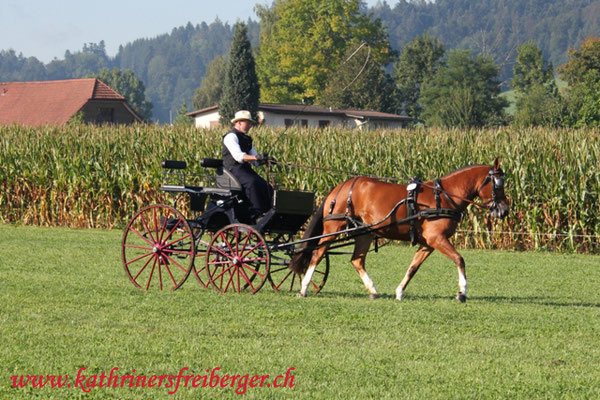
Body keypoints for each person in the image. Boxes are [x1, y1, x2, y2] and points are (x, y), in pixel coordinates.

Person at [222, 110, 272, 220]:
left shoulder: (247, 139)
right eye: (248, 122)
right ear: (239, 123)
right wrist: (256, 158)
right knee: (252, 183)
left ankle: (267, 212)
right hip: (232, 170)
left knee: (266, 186)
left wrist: (264, 160)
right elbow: (238, 156)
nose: (250, 125)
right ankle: (256, 213)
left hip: (244, 169)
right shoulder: (231, 137)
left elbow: (255, 161)